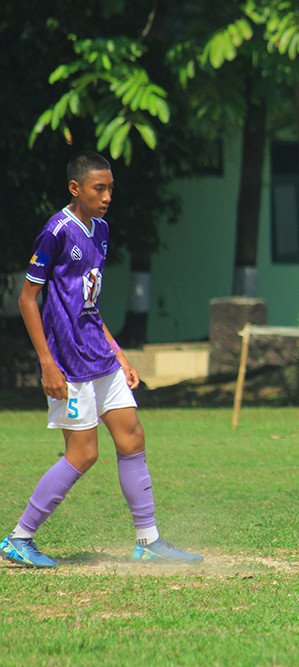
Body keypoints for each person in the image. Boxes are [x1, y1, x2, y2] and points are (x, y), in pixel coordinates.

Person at [1, 151, 202, 568]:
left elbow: (89, 304)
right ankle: (19, 539)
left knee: (132, 437)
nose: (108, 195)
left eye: (110, 187)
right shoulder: (55, 232)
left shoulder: (103, 230)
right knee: (83, 454)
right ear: (76, 188)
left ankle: (148, 541)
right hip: (68, 362)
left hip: (100, 354)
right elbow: (27, 299)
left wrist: (119, 353)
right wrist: (46, 363)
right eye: (99, 188)